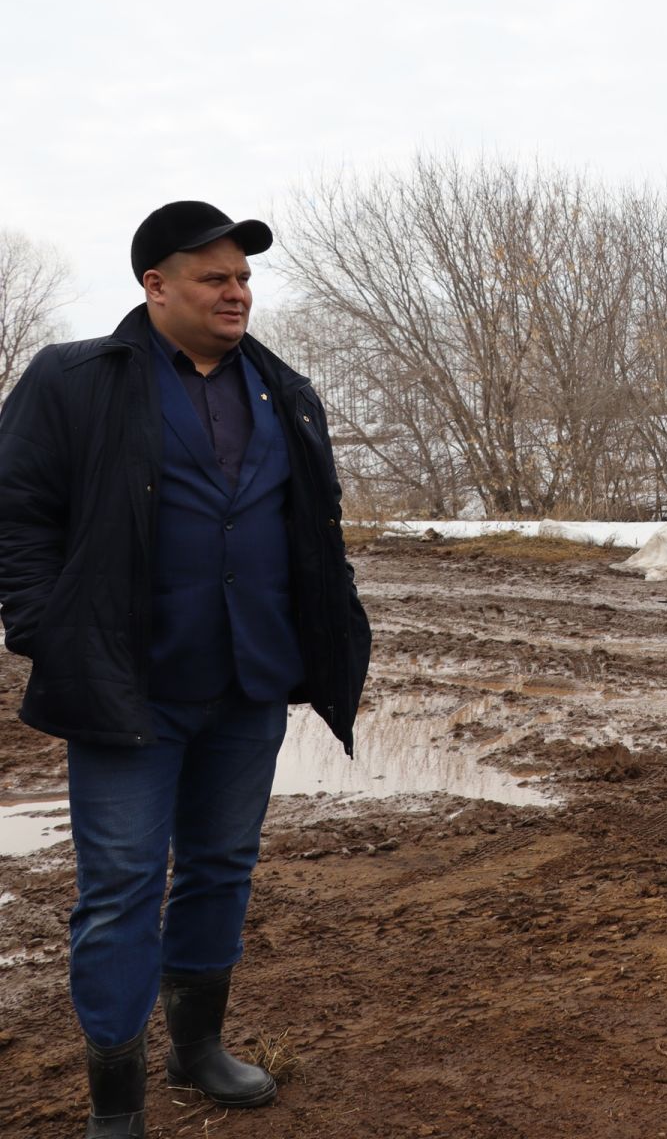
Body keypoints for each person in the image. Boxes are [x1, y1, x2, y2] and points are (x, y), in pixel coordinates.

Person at [0, 201, 372, 1137]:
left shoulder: (282, 388)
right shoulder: (76, 379)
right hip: (129, 688)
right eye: (215, 277)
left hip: (250, 685)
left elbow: (310, 526)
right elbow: (17, 513)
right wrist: (51, 626)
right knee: (122, 884)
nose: (237, 292)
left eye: (244, 277)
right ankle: (115, 1103)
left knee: (219, 867)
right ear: (154, 285)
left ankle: (197, 1047)